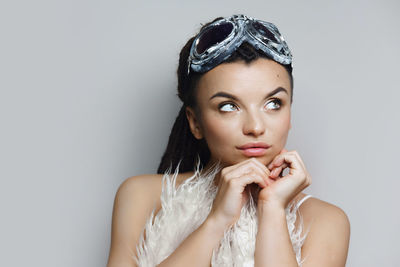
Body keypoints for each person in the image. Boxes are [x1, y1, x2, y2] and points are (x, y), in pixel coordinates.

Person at [107, 14, 350, 267]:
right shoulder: (142, 196)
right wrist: (218, 220)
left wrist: (273, 209)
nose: (255, 127)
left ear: (289, 112)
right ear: (195, 122)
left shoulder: (325, 221)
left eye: (273, 104)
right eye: (228, 106)